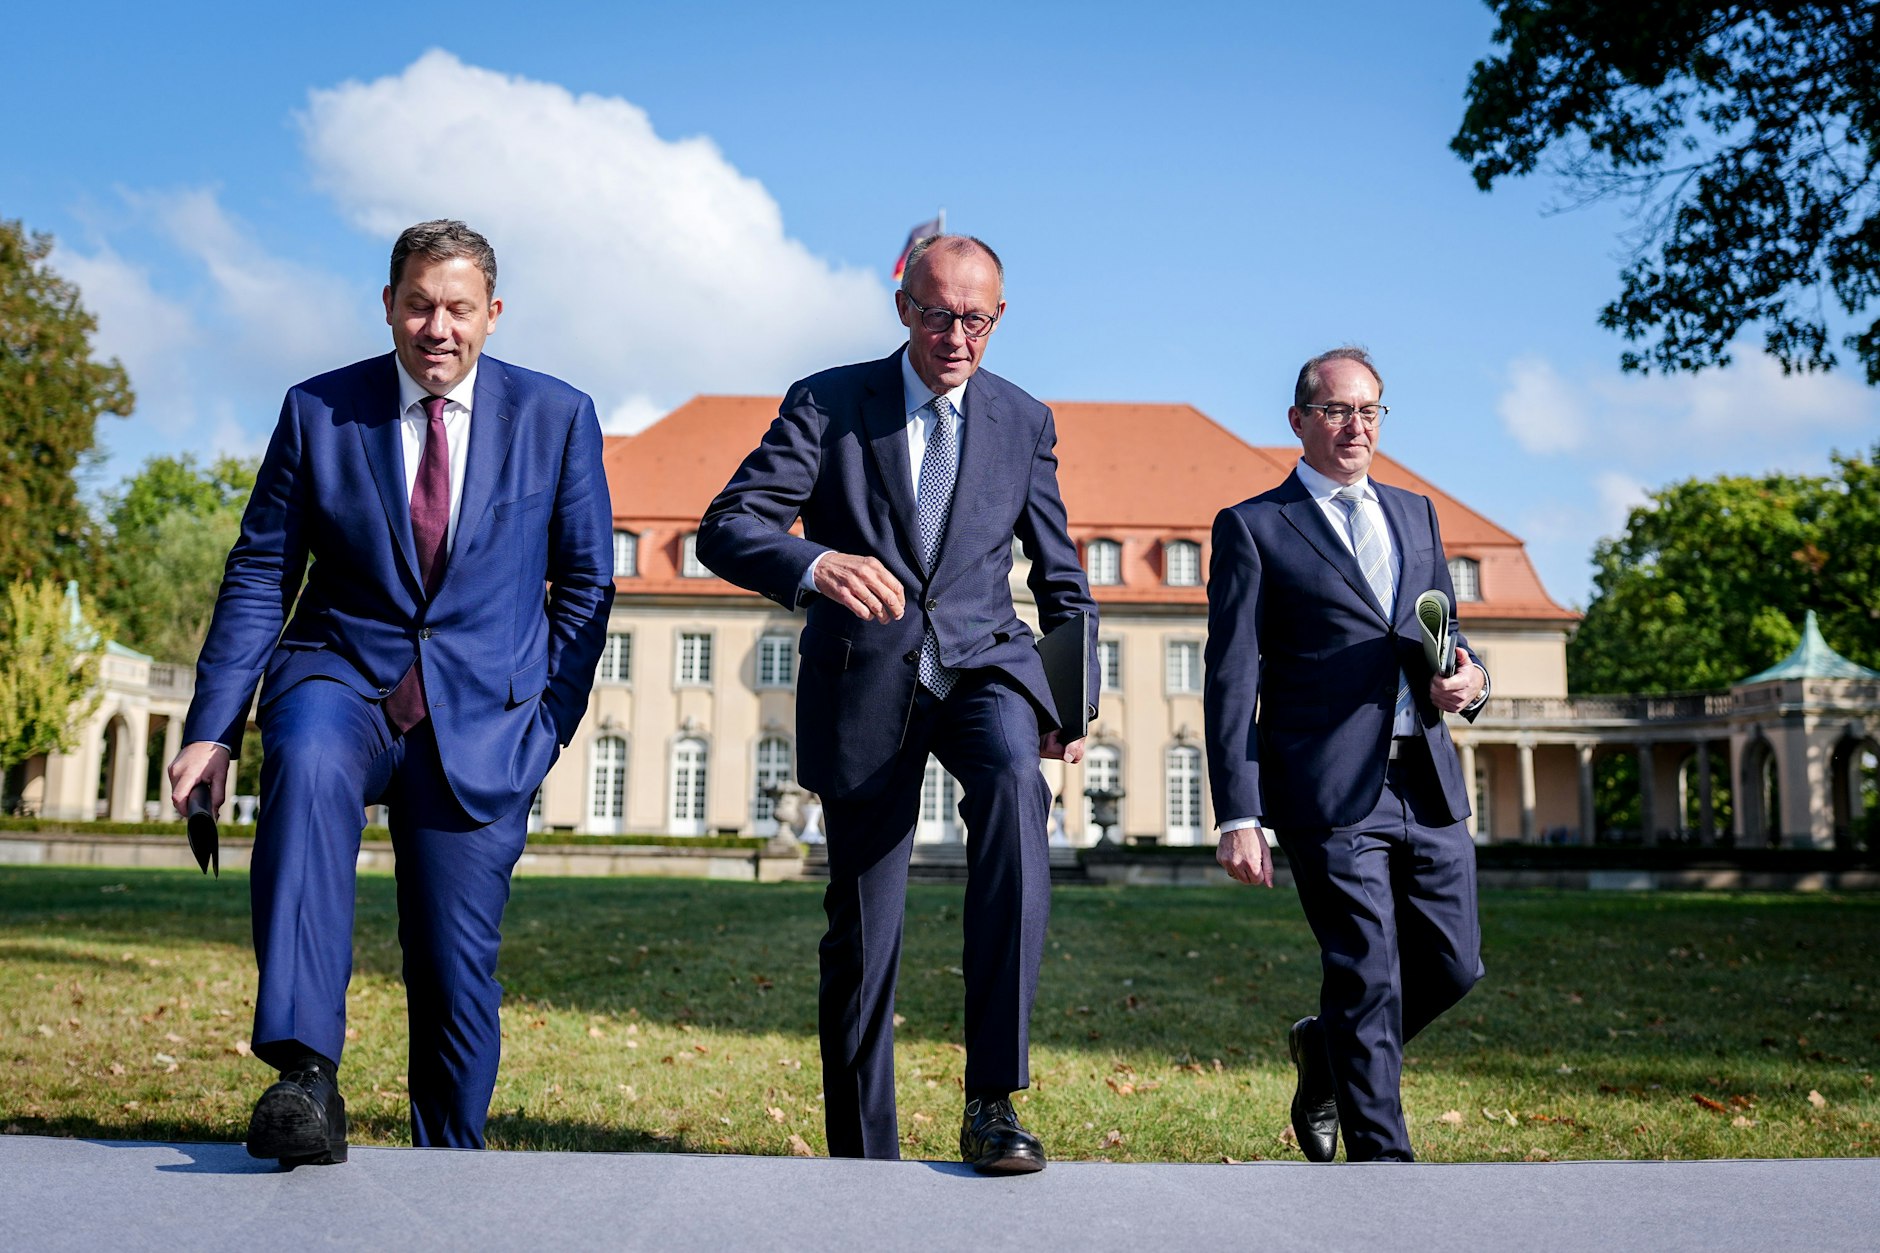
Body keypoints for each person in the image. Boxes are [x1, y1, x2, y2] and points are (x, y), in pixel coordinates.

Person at [167, 220, 614, 1164]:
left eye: (458, 307)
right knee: (309, 758)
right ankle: (302, 1075)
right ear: (388, 305)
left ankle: (450, 1155)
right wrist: (214, 728)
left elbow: (585, 585)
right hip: (342, 675)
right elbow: (260, 573)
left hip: (488, 719)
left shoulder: (558, 416)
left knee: (455, 969)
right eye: (418, 303)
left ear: (493, 315)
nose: (436, 326)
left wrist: (551, 722)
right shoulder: (318, 411)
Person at [697, 235, 1096, 1174]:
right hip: (864, 676)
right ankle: (862, 1158)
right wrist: (815, 564)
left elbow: (1064, 578)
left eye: (977, 318)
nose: (957, 335)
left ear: (998, 317)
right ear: (903, 307)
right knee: (865, 927)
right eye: (938, 313)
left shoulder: (1024, 419)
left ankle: (993, 1102)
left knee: (1011, 788)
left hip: (984, 664)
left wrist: (1067, 707)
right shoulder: (829, 401)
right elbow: (727, 525)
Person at [1202, 346, 1489, 1163]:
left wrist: (1470, 680)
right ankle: (1382, 1174)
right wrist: (1239, 810)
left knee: (1454, 962)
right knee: (1367, 973)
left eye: (1370, 410)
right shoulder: (1255, 527)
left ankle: (1324, 1051)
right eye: (1337, 410)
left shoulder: (1417, 514)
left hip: (1426, 778)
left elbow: (1447, 636)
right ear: (1299, 421)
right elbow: (1231, 680)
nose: (1356, 426)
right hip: (1327, 791)